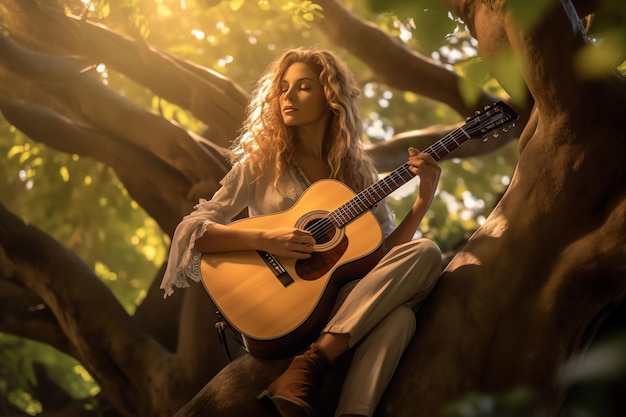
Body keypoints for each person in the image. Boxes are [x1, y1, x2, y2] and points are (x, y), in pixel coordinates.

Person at [160, 46, 443, 417]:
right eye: (282, 87)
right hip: (285, 307)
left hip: (346, 300)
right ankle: (314, 365)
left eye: (303, 87)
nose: (287, 96)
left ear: (331, 97)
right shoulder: (261, 164)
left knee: (423, 259)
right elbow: (195, 231)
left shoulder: (358, 174)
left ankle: (322, 378)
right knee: (404, 311)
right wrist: (266, 239)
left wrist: (422, 202)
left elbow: (386, 257)